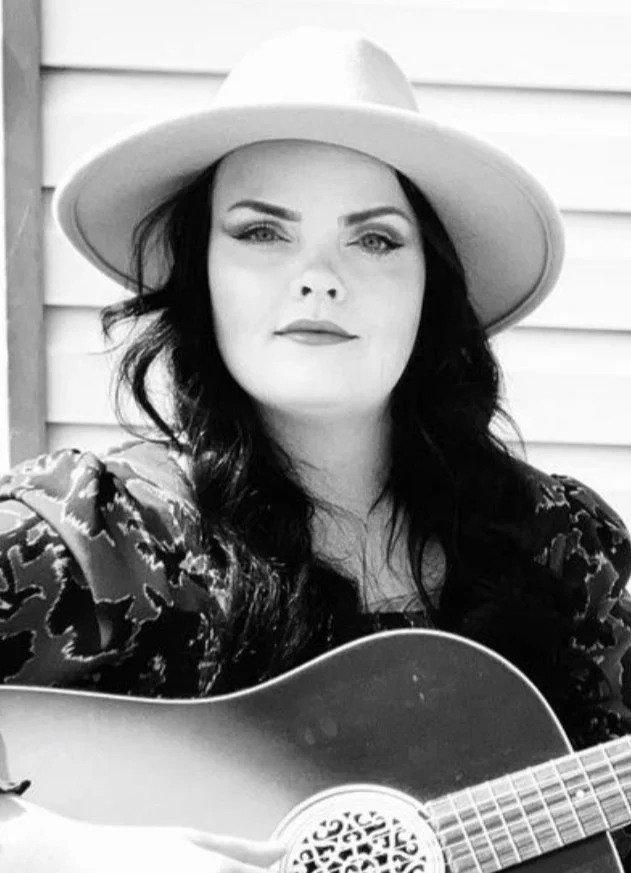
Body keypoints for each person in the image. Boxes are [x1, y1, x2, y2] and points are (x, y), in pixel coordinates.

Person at [1, 25, 630, 871]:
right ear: (202, 274)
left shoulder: (565, 547)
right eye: (261, 232)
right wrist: (72, 853)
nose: (318, 276)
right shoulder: (93, 539)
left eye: (374, 239)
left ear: (429, 288)